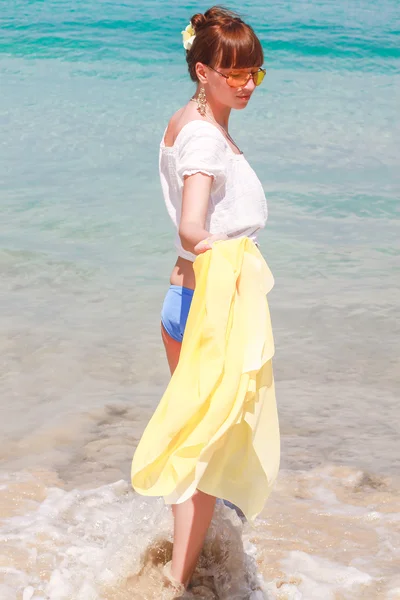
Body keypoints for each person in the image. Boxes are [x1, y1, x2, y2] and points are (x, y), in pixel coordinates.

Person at [155, 5, 268, 589]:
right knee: (205, 452)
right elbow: (192, 230)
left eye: (255, 73)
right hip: (207, 307)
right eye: (234, 73)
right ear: (203, 70)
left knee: (196, 441)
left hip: (185, 300)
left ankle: (184, 558)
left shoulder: (188, 121)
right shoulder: (204, 137)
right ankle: (179, 581)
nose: (246, 83)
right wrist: (236, 258)